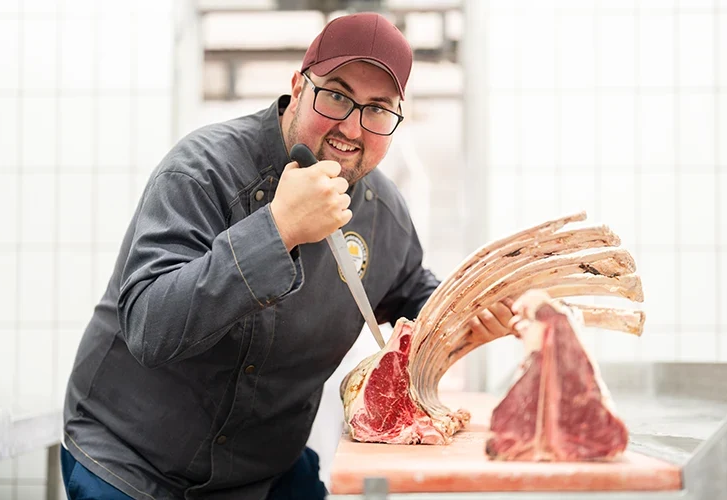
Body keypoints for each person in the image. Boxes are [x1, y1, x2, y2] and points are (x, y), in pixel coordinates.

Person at [60, 11, 514, 500]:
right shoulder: (200, 172)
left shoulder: (383, 212)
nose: (352, 128)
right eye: (337, 95)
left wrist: (467, 314)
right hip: (132, 463)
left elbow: (411, 294)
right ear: (298, 86)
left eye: (378, 109)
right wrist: (276, 231)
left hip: (261, 473)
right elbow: (149, 327)